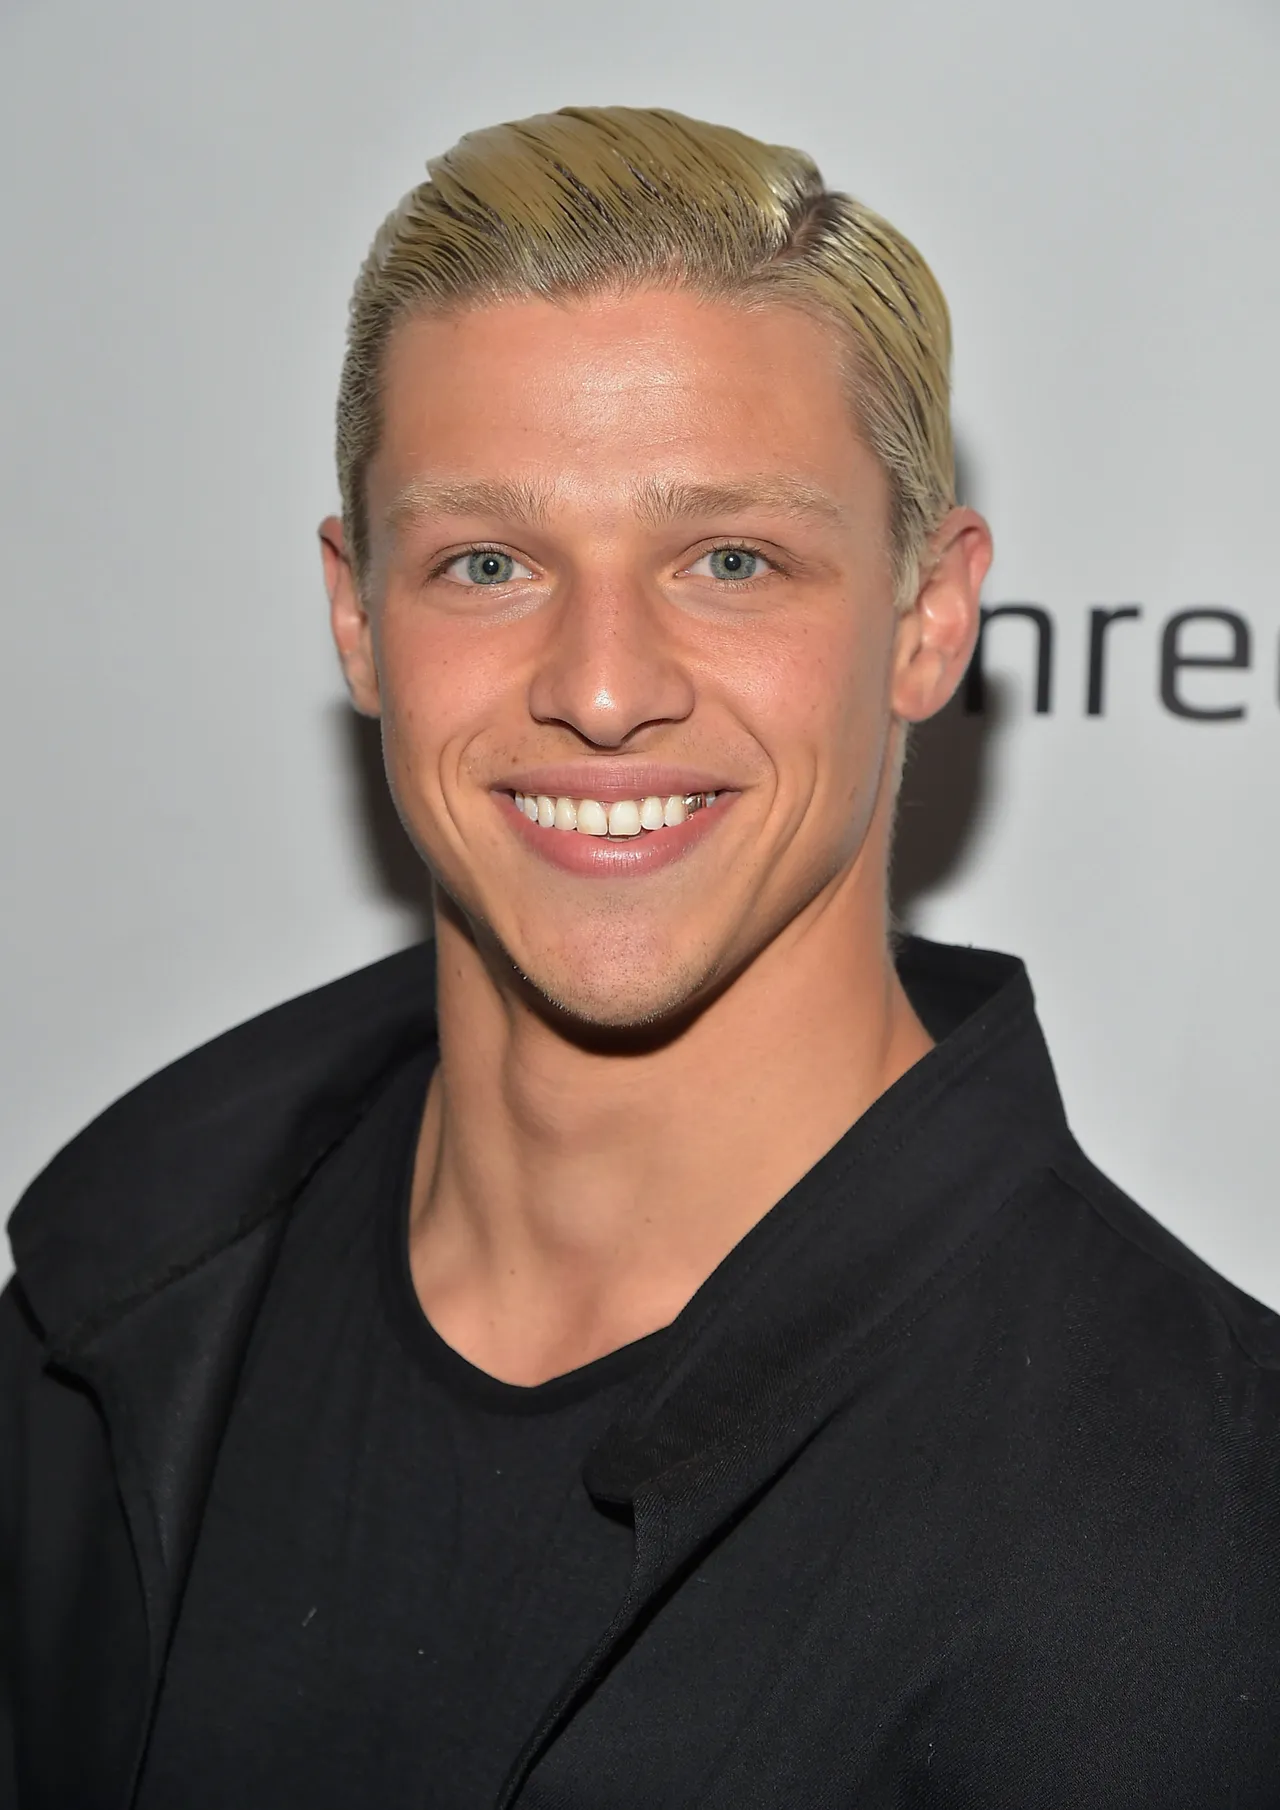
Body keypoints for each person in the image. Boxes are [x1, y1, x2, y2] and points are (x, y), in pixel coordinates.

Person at [3, 105, 1278, 1810]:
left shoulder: (1198, 1530)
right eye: (487, 561)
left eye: (731, 560)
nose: (602, 688)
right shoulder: (111, 1324)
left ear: (928, 616)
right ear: (358, 615)